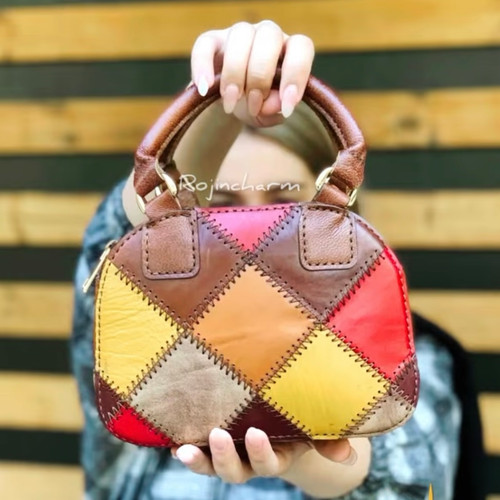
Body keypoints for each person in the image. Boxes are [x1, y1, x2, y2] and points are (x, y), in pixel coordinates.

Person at [71, 21, 465, 499]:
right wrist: (217, 111)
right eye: (221, 208)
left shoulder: (412, 357)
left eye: (285, 205)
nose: (252, 239)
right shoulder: (148, 360)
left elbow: (413, 476)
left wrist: (317, 461)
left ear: (340, 210)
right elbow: (112, 246)